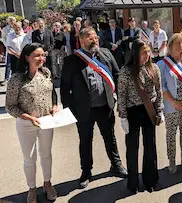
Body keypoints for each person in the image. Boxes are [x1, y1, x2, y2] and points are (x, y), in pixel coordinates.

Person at [60, 27, 128, 188]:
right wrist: (71, 110)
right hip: (83, 110)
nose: (95, 41)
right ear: (82, 40)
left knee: (110, 137)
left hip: (105, 106)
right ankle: (86, 171)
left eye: (96, 38)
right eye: (90, 38)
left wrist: (117, 98)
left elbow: (117, 76)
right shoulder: (72, 60)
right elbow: (64, 89)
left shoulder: (105, 53)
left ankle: (116, 165)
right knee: (85, 141)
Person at [5, 43, 58, 203]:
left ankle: (47, 183)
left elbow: (52, 93)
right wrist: (29, 118)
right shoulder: (17, 79)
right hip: (26, 123)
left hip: (46, 122)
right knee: (29, 158)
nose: (41, 58)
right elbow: (10, 106)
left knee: (46, 154)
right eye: (36, 55)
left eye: (42, 55)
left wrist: (55, 106)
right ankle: (32, 188)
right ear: (27, 57)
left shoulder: (46, 73)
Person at [117, 39, 163, 193]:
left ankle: (150, 180)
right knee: (132, 148)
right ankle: (133, 182)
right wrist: (123, 117)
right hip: (133, 112)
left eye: (148, 52)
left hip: (149, 111)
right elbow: (121, 95)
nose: (147, 55)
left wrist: (160, 110)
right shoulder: (125, 71)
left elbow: (159, 91)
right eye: (144, 53)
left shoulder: (154, 68)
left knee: (150, 146)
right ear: (135, 54)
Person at [157, 33, 182, 174]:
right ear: (170, 45)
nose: (181, 46)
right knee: (171, 134)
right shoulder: (162, 64)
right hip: (171, 106)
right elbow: (162, 86)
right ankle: (172, 160)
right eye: (178, 43)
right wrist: (174, 102)